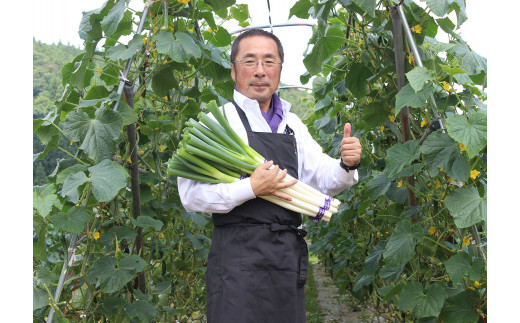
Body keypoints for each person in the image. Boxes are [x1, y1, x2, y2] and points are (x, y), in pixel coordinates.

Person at [177, 28, 362, 323]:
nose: (260, 71)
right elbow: (191, 196)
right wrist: (250, 187)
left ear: (279, 69)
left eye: (269, 62)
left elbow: (324, 177)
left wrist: (346, 164)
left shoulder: (292, 125)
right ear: (233, 68)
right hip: (237, 258)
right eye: (249, 61)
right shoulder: (215, 122)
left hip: (286, 256)